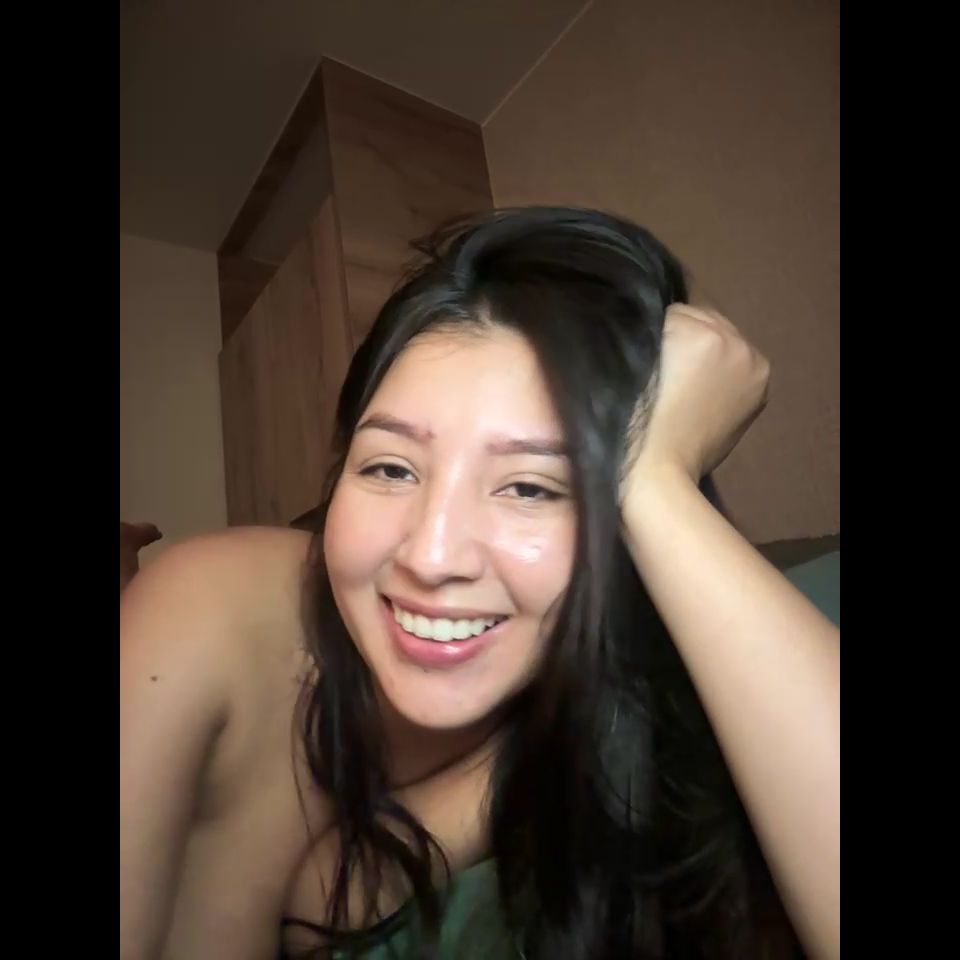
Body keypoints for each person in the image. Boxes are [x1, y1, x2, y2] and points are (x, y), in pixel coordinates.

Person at [120, 207, 839, 960]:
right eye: (390, 468)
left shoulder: (578, 710)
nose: (431, 556)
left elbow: (324, 898)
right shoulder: (211, 608)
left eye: (530, 486)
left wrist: (658, 482)